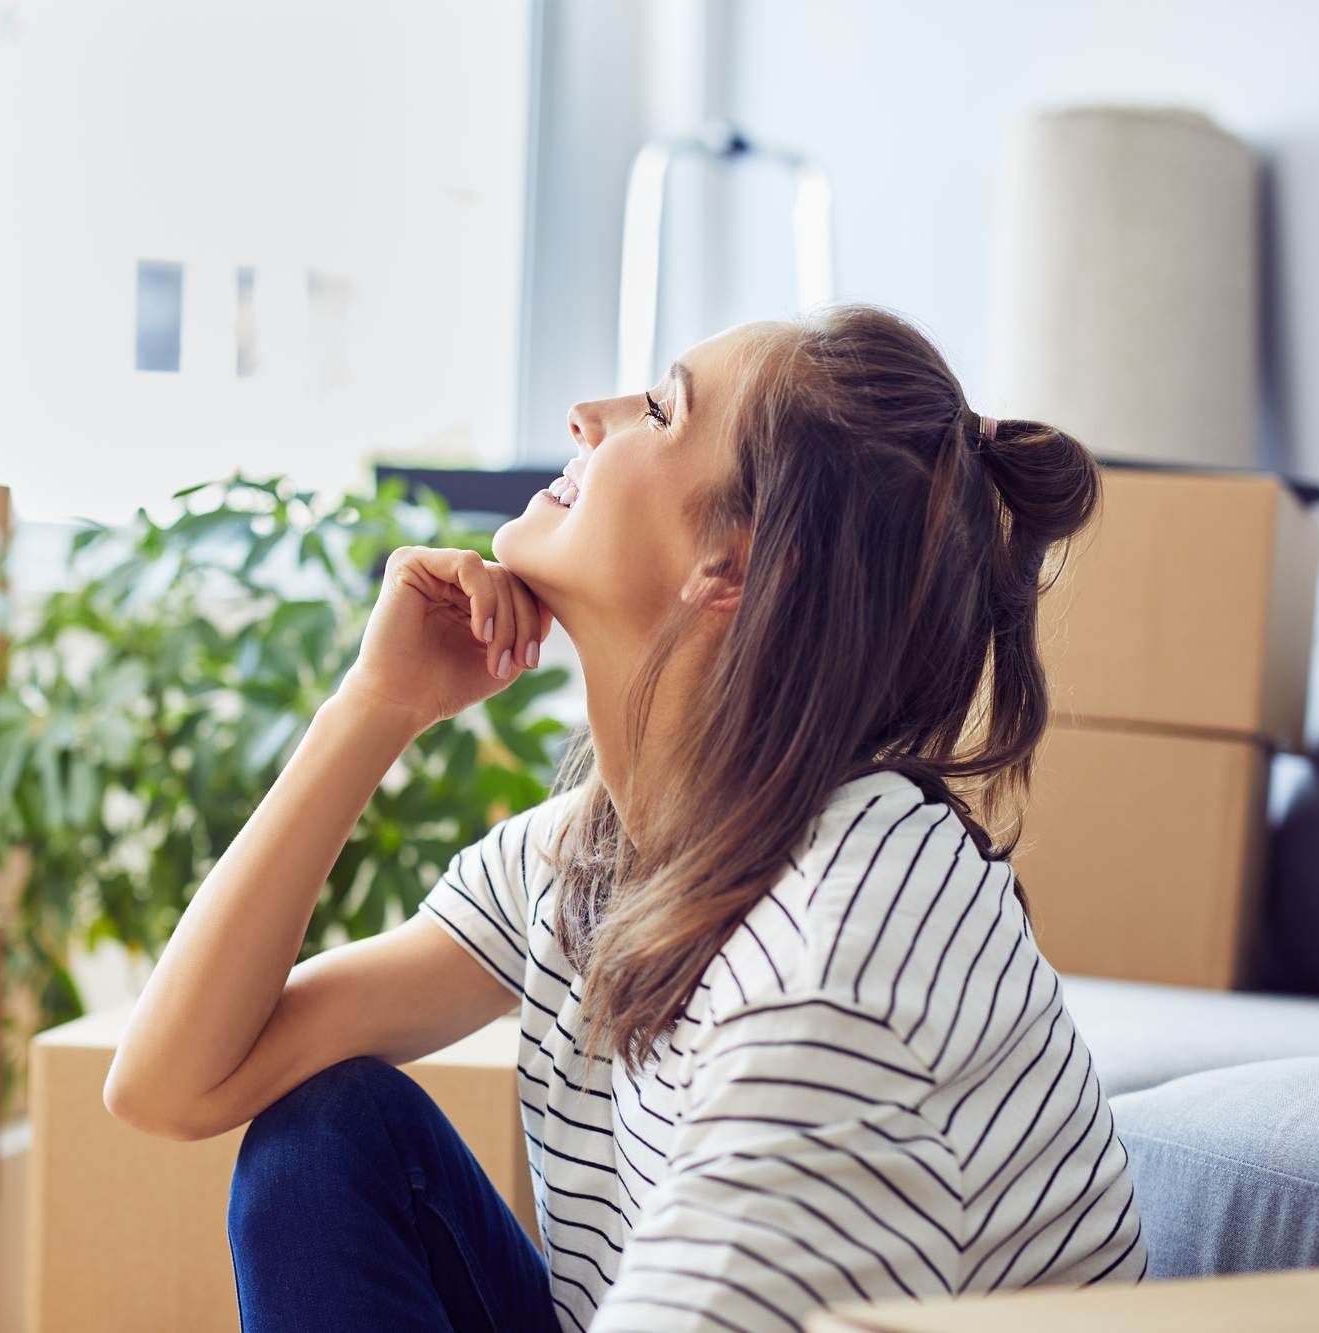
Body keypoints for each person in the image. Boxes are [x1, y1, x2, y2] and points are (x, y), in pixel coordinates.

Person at [103, 303, 1147, 1331]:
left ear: (735, 568)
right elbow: (170, 1085)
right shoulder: (595, 852)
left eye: (657, 409)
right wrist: (374, 707)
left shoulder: (844, 954)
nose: (585, 414)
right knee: (328, 1131)